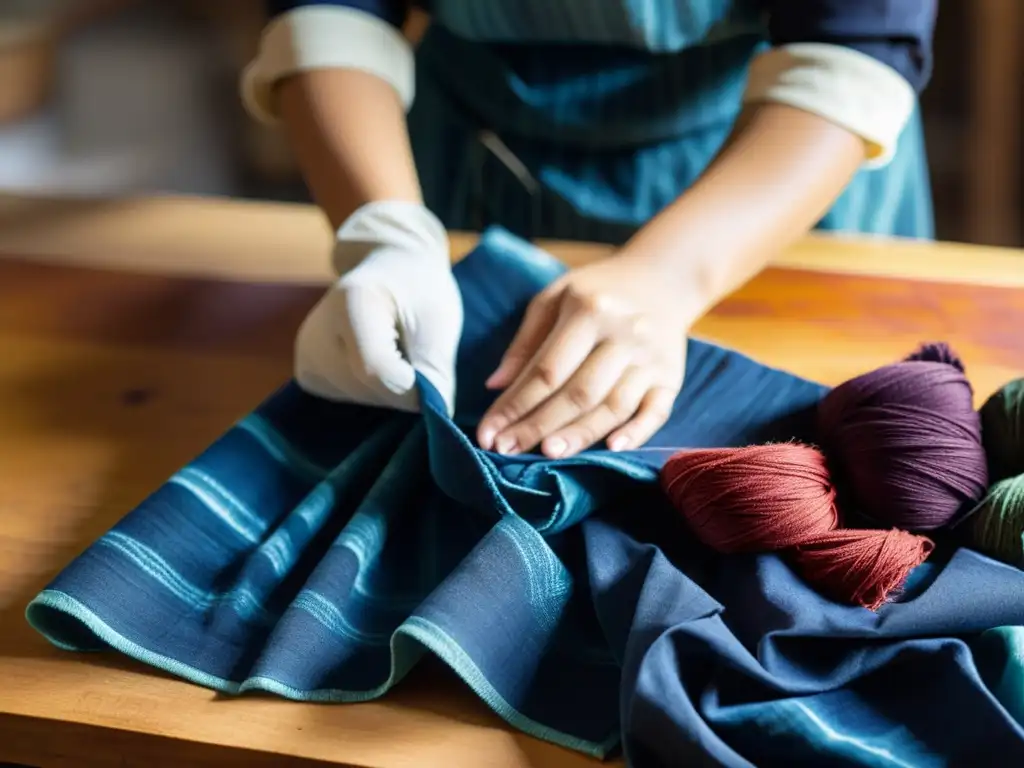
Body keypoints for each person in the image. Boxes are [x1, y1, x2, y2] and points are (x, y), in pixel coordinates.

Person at [243, 0, 937, 459]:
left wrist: (669, 274)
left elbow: (856, 41)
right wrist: (384, 229)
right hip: (455, 151)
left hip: (784, 162)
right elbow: (332, 4)